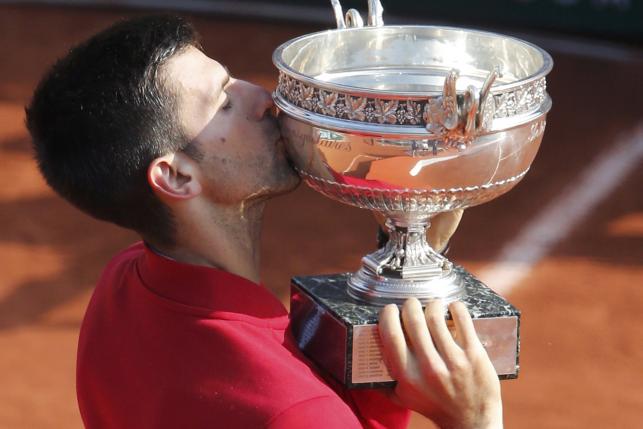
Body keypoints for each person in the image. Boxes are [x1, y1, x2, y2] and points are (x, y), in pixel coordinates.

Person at [26, 15, 502, 429]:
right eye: (224, 104)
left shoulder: (122, 289)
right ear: (175, 175)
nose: (261, 96)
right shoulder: (294, 412)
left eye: (232, 81)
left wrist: (408, 249)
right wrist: (474, 420)